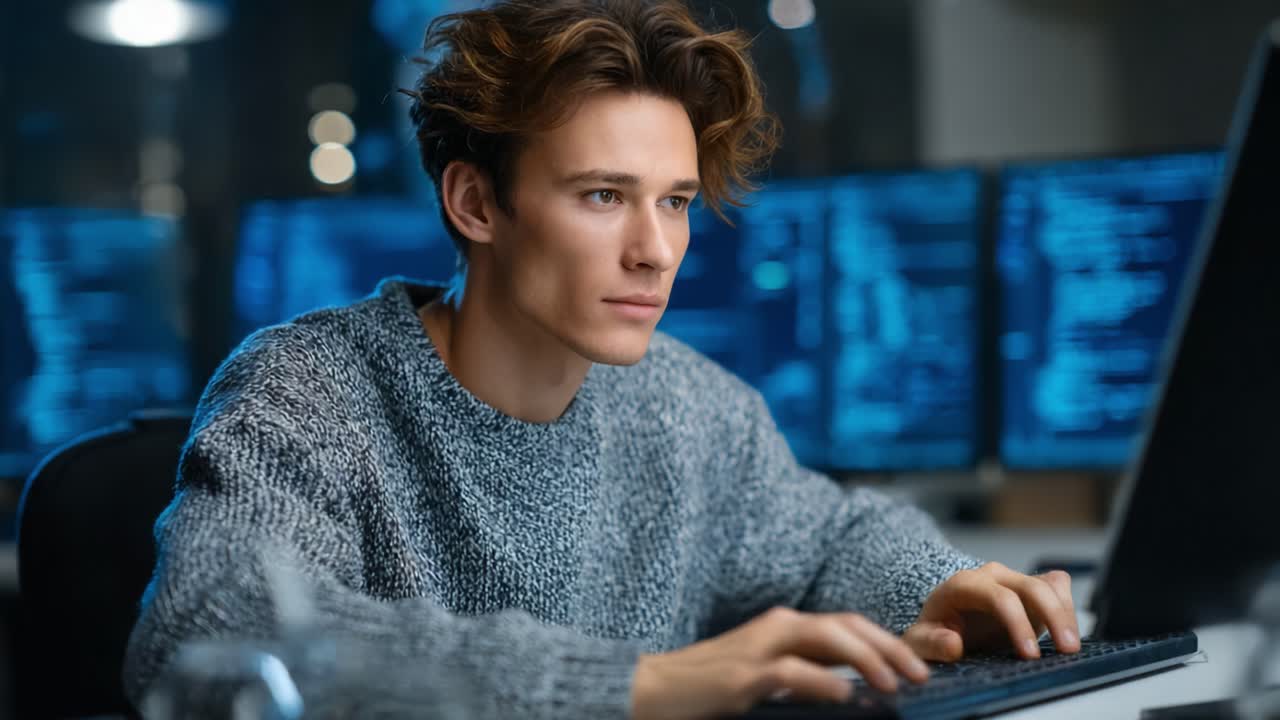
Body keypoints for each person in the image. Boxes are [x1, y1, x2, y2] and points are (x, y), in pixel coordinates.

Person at [123, 0, 1082, 717]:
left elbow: (829, 537)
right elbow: (207, 636)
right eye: (601, 196)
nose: (656, 250)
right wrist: (636, 686)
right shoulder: (310, 393)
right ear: (476, 204)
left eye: (673, 201)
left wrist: (936, 584)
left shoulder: (692, 408)